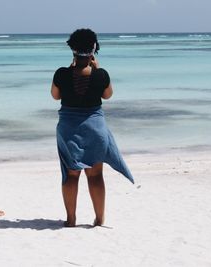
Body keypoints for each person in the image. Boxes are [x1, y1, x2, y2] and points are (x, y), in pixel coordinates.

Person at [51, 29, 134, 227]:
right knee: (95, 175)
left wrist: (72, 69)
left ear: (72, 49)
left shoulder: (61, 74)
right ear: (93, 50)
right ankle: (99, 219)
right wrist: (97, 70)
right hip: (95, 128)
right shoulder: (101, 75)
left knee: (71, 175)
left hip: (69, 129)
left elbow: (56, 96)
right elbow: (107, 95)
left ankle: (71, 220)